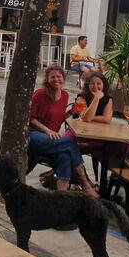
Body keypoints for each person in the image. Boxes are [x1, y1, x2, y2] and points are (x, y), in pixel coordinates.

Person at [29, 66, 98, 196]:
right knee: (70, 143)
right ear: (47, 79)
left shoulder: (65, 95)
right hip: (33, 136)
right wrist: (48, 131)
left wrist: (72, 111)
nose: (56, 79)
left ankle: (61, 195)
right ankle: (85, 184)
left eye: (58, 76)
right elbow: (30, 118)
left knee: (65, 155)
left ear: (63, 78)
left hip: (51, 140)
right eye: (52, 77)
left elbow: (60, 118)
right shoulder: (40, 94)